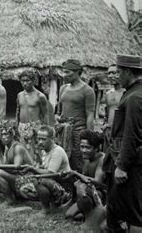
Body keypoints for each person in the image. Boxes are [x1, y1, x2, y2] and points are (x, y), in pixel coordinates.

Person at [106, 54, 142, 232]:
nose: (116, 76)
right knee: (114, 205)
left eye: (119, 72)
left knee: (134, 212)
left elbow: (131, 134)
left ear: (128, 71)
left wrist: (122, 166)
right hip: (127, 159)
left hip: (131, 163)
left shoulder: (135, 96)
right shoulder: (133, 92)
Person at [20, 126, 72, 216]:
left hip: (65, 189)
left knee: (40, 180)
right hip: (53, 184)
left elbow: (50, 174)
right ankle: (51, 202)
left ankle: (46, 209)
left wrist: (33, 169)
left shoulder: (57, 152)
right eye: (39, 139)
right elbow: (41, 168)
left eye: (44, 139)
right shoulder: (44, 151)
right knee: (24, 189)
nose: (40, 142)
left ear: (52, 139)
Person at [58, 59, 95, 173]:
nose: (64, 75)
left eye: (68, 72)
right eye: (63, 72)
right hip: (64, 130)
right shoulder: (63, 88)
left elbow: (90, 115)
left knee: (78, 159)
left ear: (77, 72)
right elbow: (60, 111)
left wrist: (89, 137)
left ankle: (81, 183)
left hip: (79, 130)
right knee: (64, 159)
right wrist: (59, 119)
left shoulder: (87, 91)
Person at [65, 130, 105, 229]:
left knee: (83, 191)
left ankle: (94, 217)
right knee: (69, 215)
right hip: (89, 193)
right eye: (82, 147)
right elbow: (83, 178)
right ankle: (92, 215)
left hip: (101, 195)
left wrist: (76, 174)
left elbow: (98, 182)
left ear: (96, 148)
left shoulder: (102, 159)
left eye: (87, 147)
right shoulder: (87, 158)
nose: (83, 150)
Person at [0, 120, 34, 204]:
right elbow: (7, 167)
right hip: (20, 177)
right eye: (2, 135)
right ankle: (15, 197)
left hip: (29, 179)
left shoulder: (17, 147)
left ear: (12, 134)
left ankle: (10, 200)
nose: (4, 137)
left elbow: (16, 166)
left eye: (6, 134)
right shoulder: (8, 148)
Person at [16, 70, 49, 164]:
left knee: (36, 153)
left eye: (27, 80)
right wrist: (16, 125)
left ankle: (36, 172)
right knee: (23, 152)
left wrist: (46, 130)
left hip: (35, 127)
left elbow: (45, 114)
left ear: (33, 80)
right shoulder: (20, 95)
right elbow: (18, 111)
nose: (25, 83)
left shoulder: (40, 96)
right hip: (22, 127)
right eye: (22, 81)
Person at [100, 65, 125, 152]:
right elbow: (107, 113)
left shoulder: (127, 93)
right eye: (109, 73)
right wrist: (105, 125)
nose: (110, 76)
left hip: (121, 132)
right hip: (109, 131)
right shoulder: (108, 94)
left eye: (114, 73)